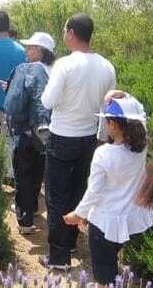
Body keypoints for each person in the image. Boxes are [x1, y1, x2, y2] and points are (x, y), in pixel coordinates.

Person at [39, 14, 116, 269]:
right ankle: (70, 242)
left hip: (62, 137)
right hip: (88, 139)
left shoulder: (65, 64)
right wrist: (102, 140)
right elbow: (109, 109)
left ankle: (59, 258)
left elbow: (48, 102)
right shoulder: (106, 66)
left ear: (71, 33)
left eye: (64, 31)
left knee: (57, 196)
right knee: (76, 192)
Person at [64, 96, 153, 285]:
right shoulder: (141, 145)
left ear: (113, 124)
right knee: (112, 264)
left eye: (106, 120)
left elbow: (93, 192)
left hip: (104, 223)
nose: (104, 124)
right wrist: (123, 94)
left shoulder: (104, 154)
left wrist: (78, 214)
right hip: (129, 218)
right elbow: (141, 112)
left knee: (104, 275)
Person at [3, 32, 56, 235]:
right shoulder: (55, 72)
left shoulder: (25, 70)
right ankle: (33, 208)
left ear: (42, 52)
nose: (26, 51)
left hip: (27, 132)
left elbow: (13, 105)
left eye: (31, 48)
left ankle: (25, 220)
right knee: (38, 174)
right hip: (50, 134)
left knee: (23, 174)